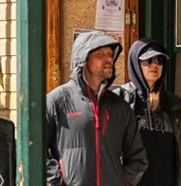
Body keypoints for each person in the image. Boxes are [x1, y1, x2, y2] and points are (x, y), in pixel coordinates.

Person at [45, 30, 147, 186]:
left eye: (110, 54)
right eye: (100, 55)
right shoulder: (56, 101)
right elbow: (37, 152)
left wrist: (122, 182)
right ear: (83, 60)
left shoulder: (120, 108)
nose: (108, 60)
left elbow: (138, 158)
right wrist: (57, 182)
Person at [115, 40, 181, 186]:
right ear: (136, 63)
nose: (155, 65)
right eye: (148, 60)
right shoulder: (120, 99)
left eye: (159, 60)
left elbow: (178, 152)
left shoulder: (172, 103)